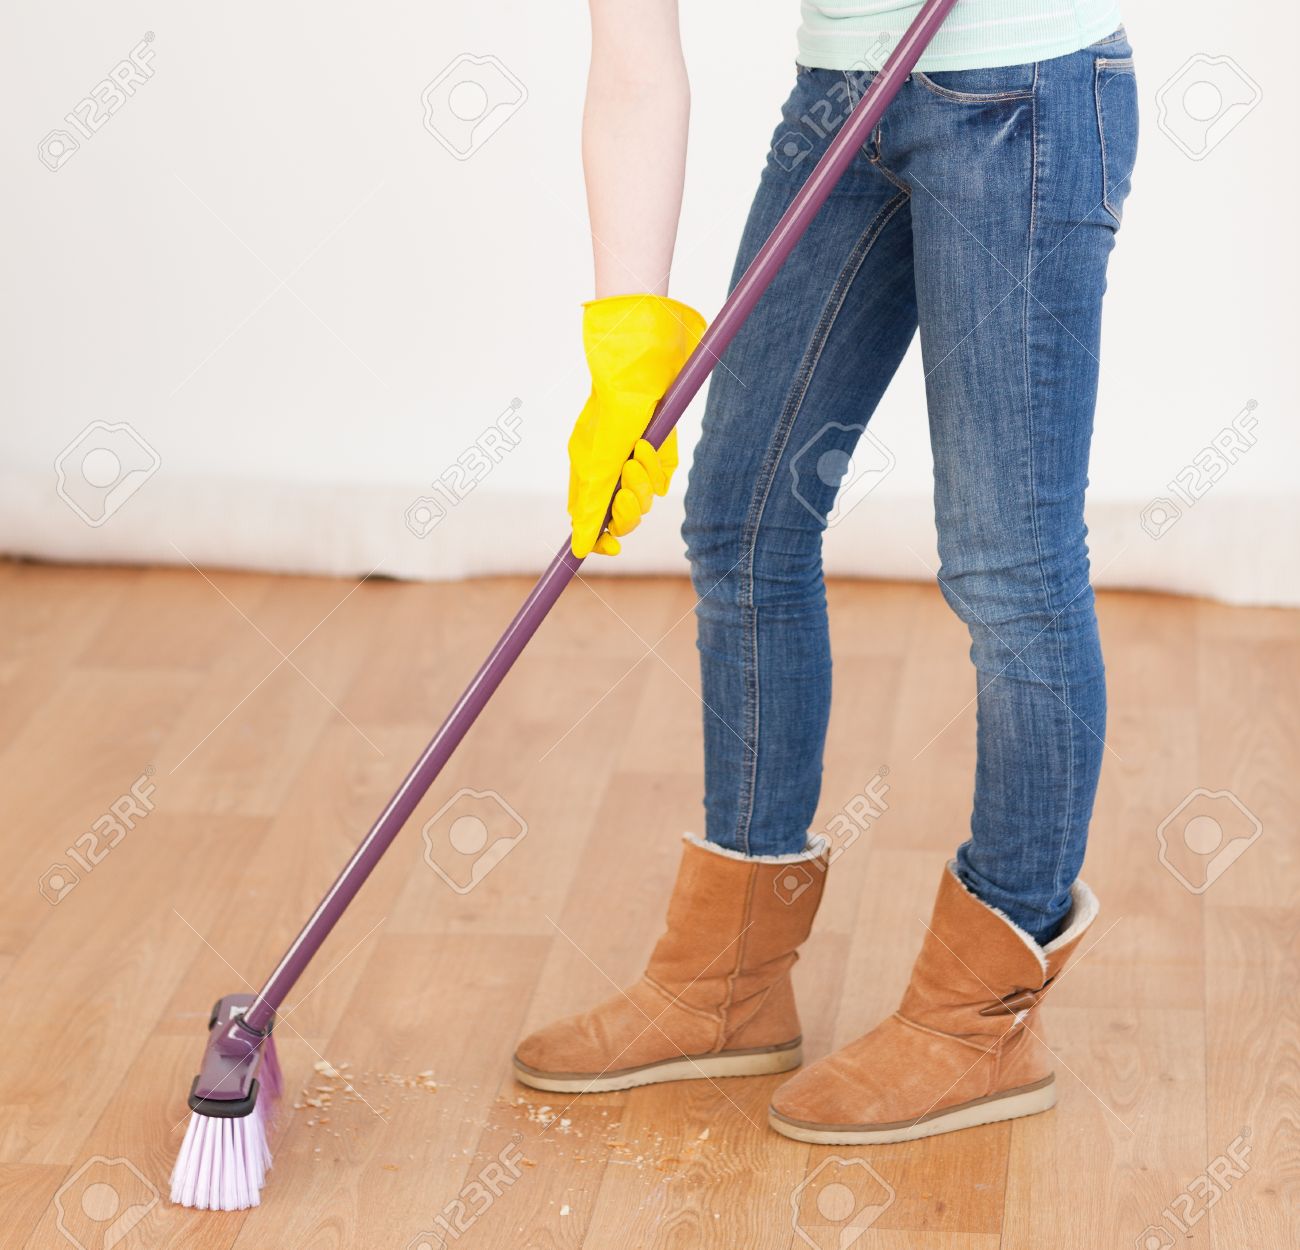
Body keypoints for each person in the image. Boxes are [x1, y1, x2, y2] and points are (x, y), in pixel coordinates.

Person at [515, 0, 1137, 1144]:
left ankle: (980, 1016)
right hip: (840, 99)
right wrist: (625, 350)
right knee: (742, 519)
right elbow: (634, 63)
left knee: (1007, 562)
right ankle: (725, 981)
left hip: (1024, 96)